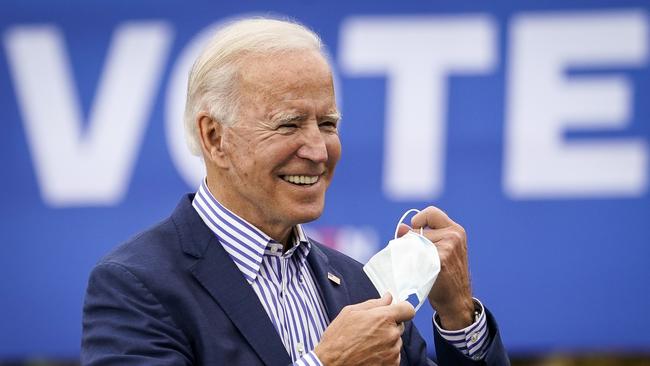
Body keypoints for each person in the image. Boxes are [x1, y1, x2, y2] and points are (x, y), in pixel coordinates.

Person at [81, 17, 509, 366]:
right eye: (288, 124)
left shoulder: (358, 283)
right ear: (214, 138)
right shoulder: (136, 285)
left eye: (328, 124)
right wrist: (326, 364)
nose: (318, 150)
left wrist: (458, 319)